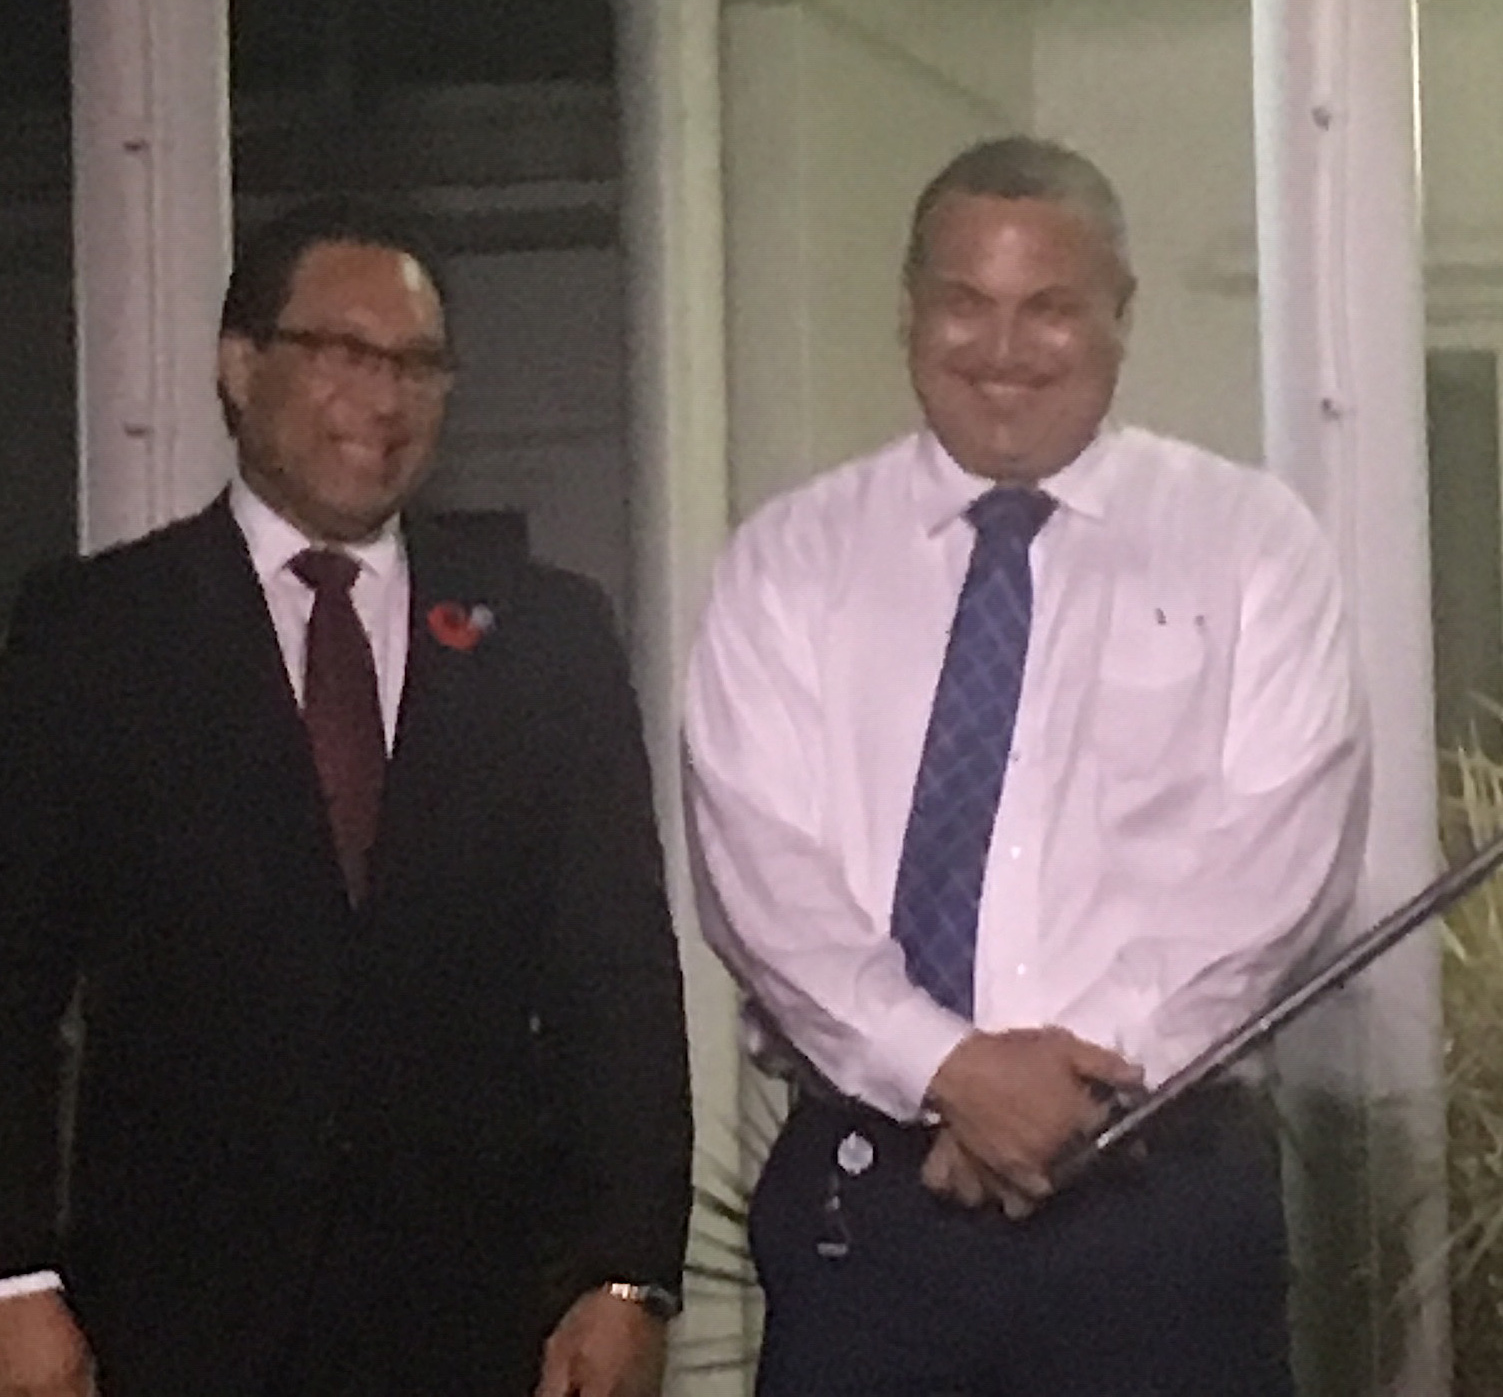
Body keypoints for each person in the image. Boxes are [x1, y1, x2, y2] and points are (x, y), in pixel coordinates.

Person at [683, 136, 1370, 1396]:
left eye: (1049, 307)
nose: (1003, 350)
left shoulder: (1250, 544)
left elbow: (1282, 861)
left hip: (1159, 1202)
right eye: (965, 303)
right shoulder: (788, 560)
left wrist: (1057, 1092)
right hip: (872, 1207)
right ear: (909, 310)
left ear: (1121, 315)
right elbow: (757, 875)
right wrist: (946, 1071)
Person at [0, 198, 692, 1397]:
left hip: (480, 1320)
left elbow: (619, 983)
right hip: (173, 1318)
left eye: (418, 364)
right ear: (240, 366)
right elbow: (12, 981)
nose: (385, 398)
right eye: (344, 353)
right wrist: (14, 1279)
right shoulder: (97, 635)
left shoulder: (543, 637)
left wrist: (628, 1276)